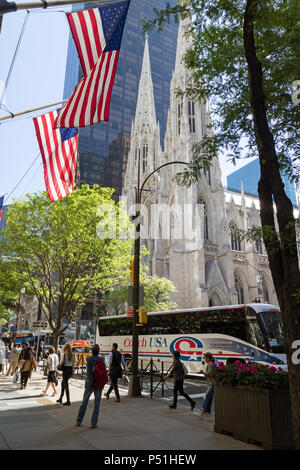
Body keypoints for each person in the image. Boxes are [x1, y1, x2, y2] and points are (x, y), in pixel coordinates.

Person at [76, 344, 106, 429]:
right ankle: (93, 423)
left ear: (92, 351)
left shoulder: (88, 359)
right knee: (97, 404)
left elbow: (89, 371)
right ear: (98, 351)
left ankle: (79, 420)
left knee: (84, 402)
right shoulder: (102, 360)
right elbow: (103, 372)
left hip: (89, 382)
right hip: (98, 383)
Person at [198, 352, 215, 418]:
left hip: (212, 383)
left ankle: (203, 410)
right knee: (209, 398)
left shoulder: (210, 364)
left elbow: (209, 374)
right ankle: (207, 410)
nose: (204, 359)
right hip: (211, 383)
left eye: (205, 358)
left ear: (208, 358)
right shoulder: (211, 363)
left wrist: (203, 372)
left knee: (207, 397)